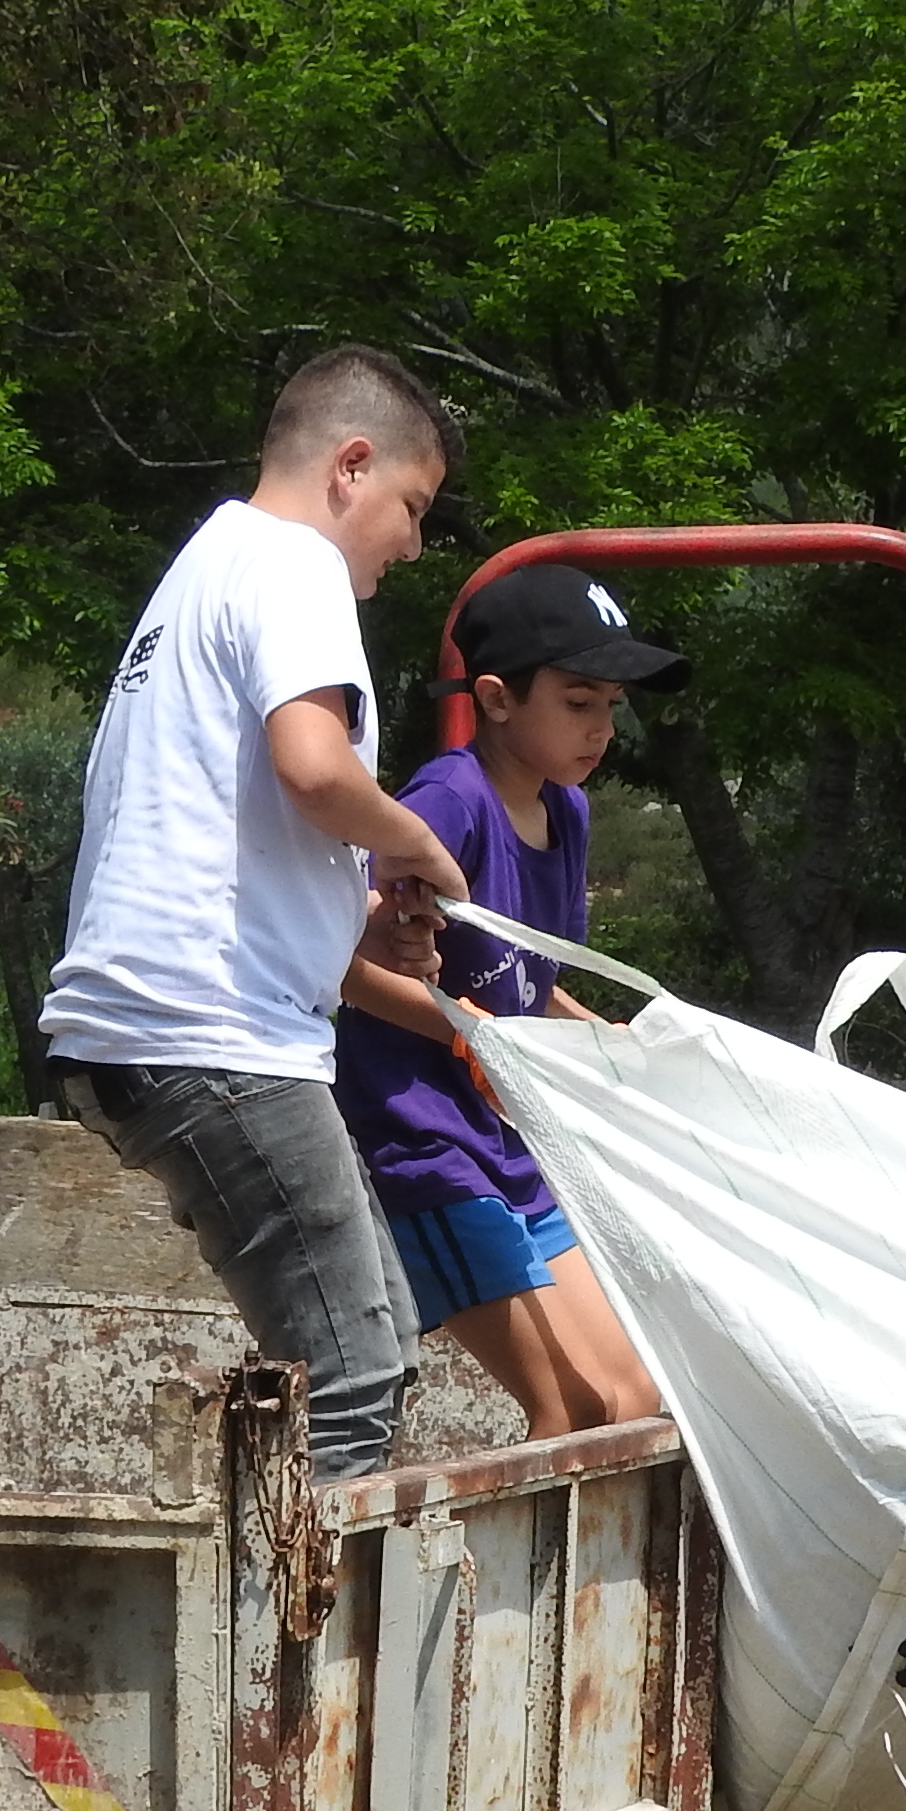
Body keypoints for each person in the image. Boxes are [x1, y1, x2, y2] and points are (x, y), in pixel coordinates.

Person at [39, 349, 468, 1480]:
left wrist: (356, 913)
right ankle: (265, 1654)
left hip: (175, 1028)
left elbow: (232, 824)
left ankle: (257, 1621)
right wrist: (418, 844)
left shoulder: (205, 566)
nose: (412, 546)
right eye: (412, 509)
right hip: (210, 1035)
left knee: (379, 1342)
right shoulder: (293, 564)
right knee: (352, 1384)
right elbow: (315, 768)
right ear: (351, 467)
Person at [330, 570, 675, 1439]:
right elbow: (337, 956)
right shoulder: (448, 803)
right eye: (578, 700)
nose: (601, 727)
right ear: (496, 699)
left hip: (512, 1145)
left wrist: (615, 1041)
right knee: (568, 1408)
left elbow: (524, 982)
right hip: (425, 1146)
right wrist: (462, 1033)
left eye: (611, 704)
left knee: (633, 1402)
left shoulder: (570, 810)